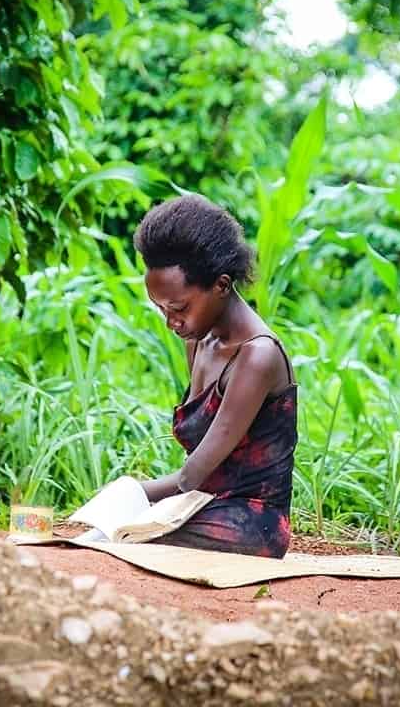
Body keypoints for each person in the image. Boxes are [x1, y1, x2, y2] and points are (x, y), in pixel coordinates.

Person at [132, 194, 298, 558]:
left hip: (251, 524)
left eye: (178, 308)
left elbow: (196, 474)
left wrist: (133, 494)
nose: (171, 322)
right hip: (199, 506)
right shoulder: (199, 339)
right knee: (114, 534)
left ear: (221, 285)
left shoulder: (257, 355)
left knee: (126, 541)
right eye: (160, 308)